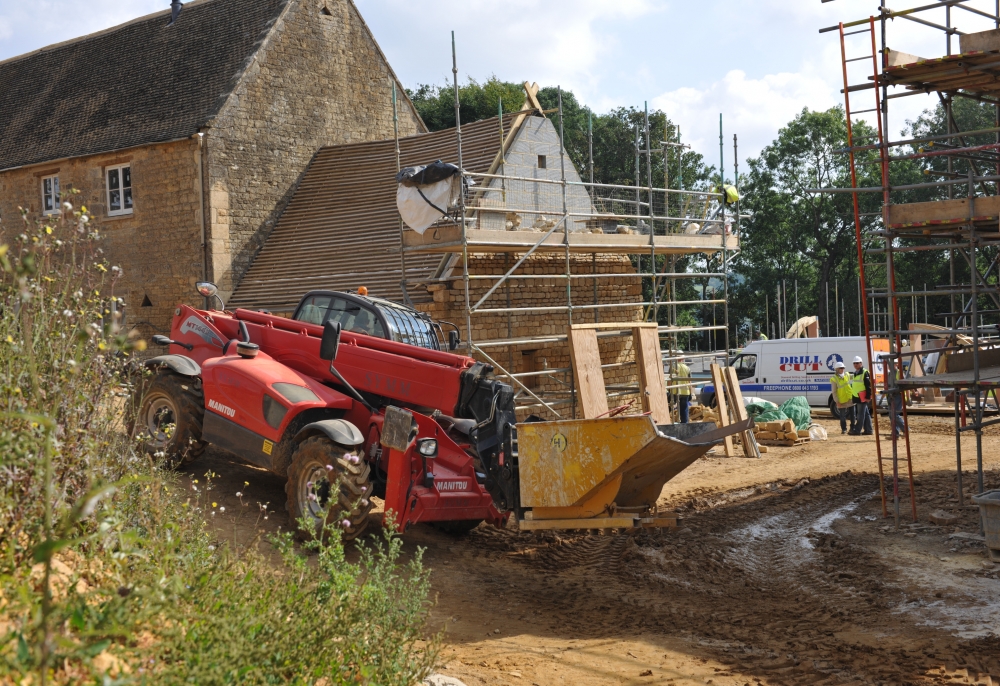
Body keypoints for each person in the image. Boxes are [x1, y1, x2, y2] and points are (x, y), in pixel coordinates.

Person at [849, 356, 873, 436]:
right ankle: (868, 430)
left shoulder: (865, 372)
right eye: (854, 363)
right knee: (865, 414)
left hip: (862, 397)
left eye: (857, 363)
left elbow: (868, 386)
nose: (855, 364)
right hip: (857, 396)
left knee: (860, 414)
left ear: (861, 363)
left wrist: (868, 396)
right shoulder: (855, 372)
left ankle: (857, 430)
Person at [830, 361, 854, 435]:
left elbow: (856, 376)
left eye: (843, 368)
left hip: (850, 398)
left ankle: (853, 428)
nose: (842, 369)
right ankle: (844, 429)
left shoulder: (847, 374)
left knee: (853, 415)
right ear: (837, 369)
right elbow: (834, 392)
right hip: (842, 400)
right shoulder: (834, 379)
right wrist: (837, 401)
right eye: (841, 368)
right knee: (842, 416)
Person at [674, 358, 692, 423]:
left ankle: (672, 423)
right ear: (683, 359)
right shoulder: (687, 368)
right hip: (685, 392)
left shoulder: (673, 367)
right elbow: (689, 382)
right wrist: (691, 392)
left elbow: (669, 381)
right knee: (684, 409)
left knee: (671, 408)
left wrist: (669, 391)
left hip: (675, 391)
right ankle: (685, 425)